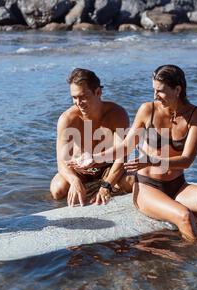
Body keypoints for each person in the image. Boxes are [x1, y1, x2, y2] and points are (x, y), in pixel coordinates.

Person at [72, 65, 197, 241]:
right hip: (147, 187)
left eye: (160, 91)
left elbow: (187, 160)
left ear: (178, 90)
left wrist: (151, 160)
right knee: (184, 216)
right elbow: (127, 146)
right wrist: (95, 157)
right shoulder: (147, 110)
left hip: (177, 185)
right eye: (153, 90)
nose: (155, 96)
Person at [50, 68, 134, 207]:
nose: (78, 102)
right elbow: (61, 162)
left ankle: (103, 188)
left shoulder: (117, 114)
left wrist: (107, 185)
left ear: (98, 92)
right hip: (79, 170)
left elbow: (122, 156)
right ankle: (89, 188)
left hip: (107, 167)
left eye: (83, 96)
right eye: (74, 97)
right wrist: (74, 180)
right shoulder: (67, 119)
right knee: (57, 190)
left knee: (131, 182)